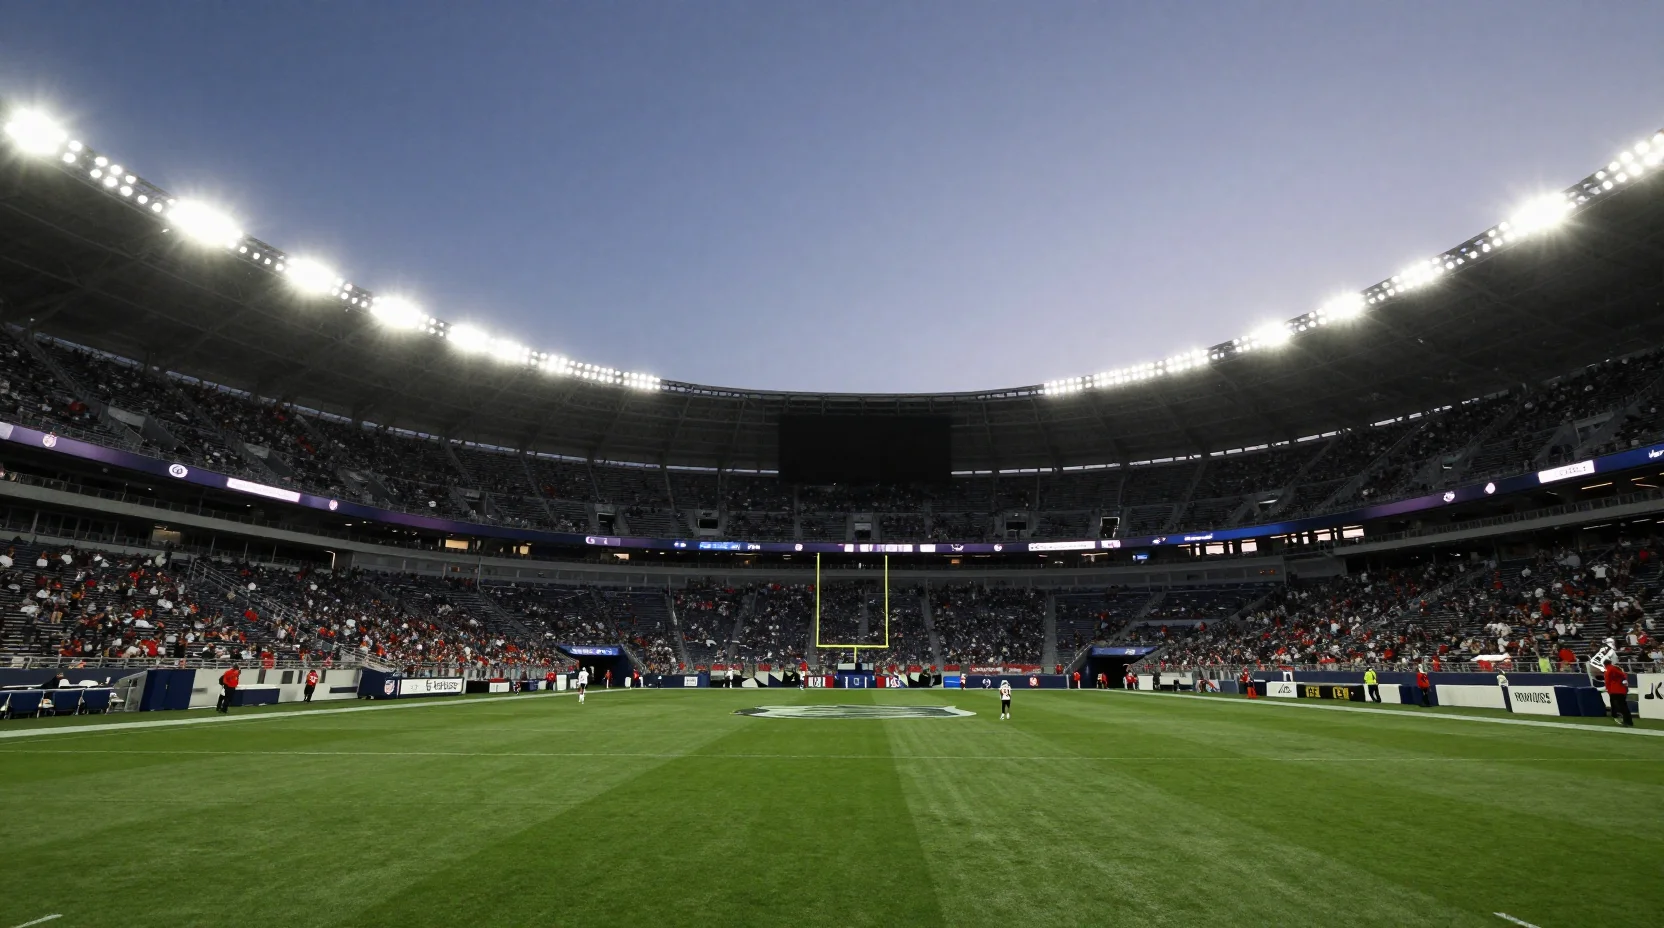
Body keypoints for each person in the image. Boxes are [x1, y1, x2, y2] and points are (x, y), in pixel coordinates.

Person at [1603, 659, 1633, 727]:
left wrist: (1608, 690)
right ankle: (1629, 721)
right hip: (1622, 690)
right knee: (1624, 706)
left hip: (1614, 691)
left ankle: (1621, 719)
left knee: (1619, 706)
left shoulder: (1608, 670)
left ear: (1604, 664)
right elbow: (1624, 676)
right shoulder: (1616, 668)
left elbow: (1607, 681)